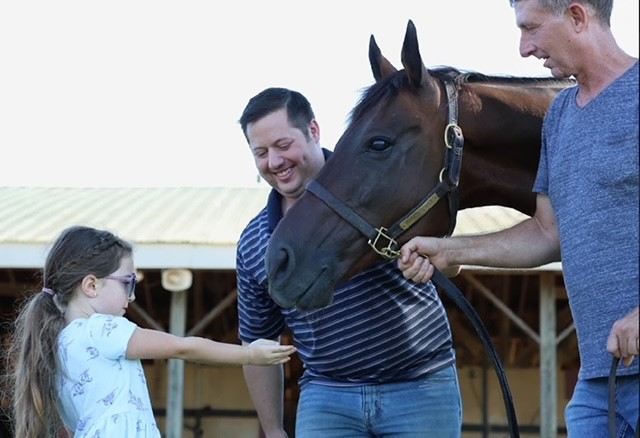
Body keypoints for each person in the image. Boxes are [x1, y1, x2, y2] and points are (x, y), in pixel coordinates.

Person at [397, 0, 639, 435]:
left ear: (578, 17)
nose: (524, 49)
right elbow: (547, 233)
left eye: (530, 28)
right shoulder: (560, 118)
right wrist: (450, 250)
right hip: (597, 383)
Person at [236, 87, 462, 438]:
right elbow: (257, 342)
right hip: (327, 398)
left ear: (313, 130)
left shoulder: (381, 186)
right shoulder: (255, 242)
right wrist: (274, 430)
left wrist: (432, 262)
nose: (275, 162)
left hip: (419, 389)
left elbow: (450, 261)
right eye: (261, 153)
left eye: (283, 145)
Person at [4, 225, 296, 438]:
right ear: (91, 285)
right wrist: (250, 354)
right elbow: (183, 347)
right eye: (127, 283)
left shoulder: (55, 345)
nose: (131, 297)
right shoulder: (103, 329)